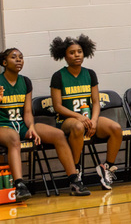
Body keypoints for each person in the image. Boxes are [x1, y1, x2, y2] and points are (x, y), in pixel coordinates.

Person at [0, 47, 88, 199]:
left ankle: (74, 180)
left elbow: (27, 112)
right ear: (4, 62)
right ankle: (20, 185)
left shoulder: (25, 82)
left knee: (58, 134)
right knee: (14, 138)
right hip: (4, 126)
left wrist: (32, 127)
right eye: (14, 57)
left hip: (21, 124)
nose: (19, 60)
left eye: (21, 57)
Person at [49, 34, 123, 190]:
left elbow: (96, 102)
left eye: (79, 51)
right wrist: (78, 117)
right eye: (72, 52)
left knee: (116, 128)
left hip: (89, 119)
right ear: (64, 55)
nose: (77, 55)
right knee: (78, 126)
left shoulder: (90, 74)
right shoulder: (58, 76)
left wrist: (94, 120)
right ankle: (76, 170)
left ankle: (106, 168)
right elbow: (58, 107)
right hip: (67, 121)